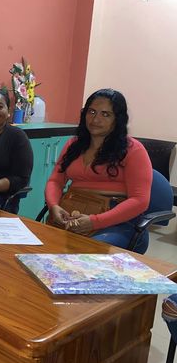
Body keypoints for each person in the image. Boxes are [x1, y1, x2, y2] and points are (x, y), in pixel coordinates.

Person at [45, 88, 152, 253]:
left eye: (106, 114)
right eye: (92, 112)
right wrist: (53, 206)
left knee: (82, 254)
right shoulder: (74, 144)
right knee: (42, 246)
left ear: (118, 119)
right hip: (74, 212)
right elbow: (55, 181)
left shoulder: (133, 150)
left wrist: (94, 221)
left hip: (118, 222)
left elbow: (140, 200)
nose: (95, 119)